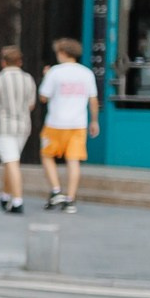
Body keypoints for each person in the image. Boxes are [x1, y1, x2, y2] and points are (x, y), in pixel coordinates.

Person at [39, 38, 99, 212]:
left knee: (47, 155)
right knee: (73, 161)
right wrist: (94, 120)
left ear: (63, 53)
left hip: (55, 123)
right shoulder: (87, 73)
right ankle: (70, 199)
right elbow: (93, 100)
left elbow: (43, 97)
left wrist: (46, 76)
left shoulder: (55, 72)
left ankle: (56, 190)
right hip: (78, 123)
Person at [0, 45, 36, 214]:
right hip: (23, 125)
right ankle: (5, 194)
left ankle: (17, 200)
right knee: (10, 160)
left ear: (3, 62)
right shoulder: (28, 79)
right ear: (20, 62)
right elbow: (31, 104)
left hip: (4, 125)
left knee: (11, 161)